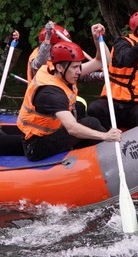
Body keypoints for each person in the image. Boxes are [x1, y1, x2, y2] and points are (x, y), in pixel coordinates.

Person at [17, 24, 121, 161]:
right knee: (90, 123)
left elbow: (102, 61)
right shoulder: (50, 93)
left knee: (84, 114)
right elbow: (72, 128)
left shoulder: (58, 70)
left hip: (51, 131)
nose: (79, 71)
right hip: (36, 145)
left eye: (79, 66)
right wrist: (105, 136)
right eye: (75, 67)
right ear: (60, 68)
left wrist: (97, 39)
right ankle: (112, 154)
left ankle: (101, 151)